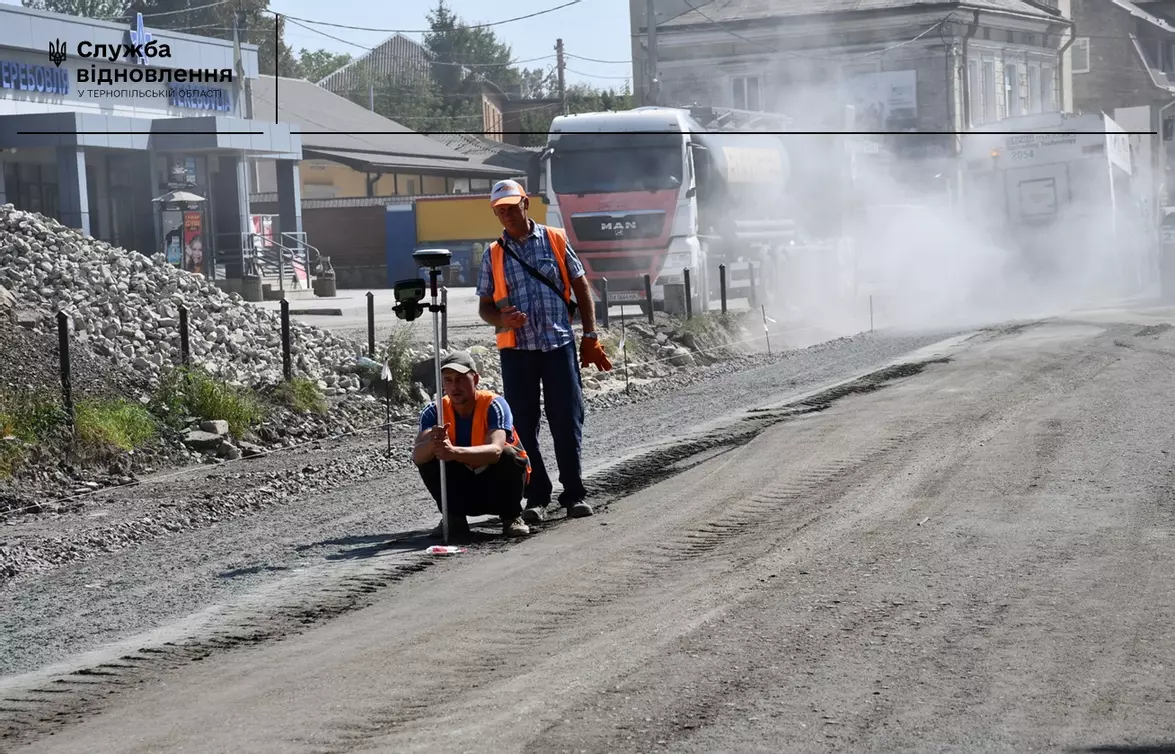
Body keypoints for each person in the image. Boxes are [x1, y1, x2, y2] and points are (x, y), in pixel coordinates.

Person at [476, 179, 613, 524]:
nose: (506, 214)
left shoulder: (555, 239)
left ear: (525, 204)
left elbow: (581, 286)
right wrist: (501, 317)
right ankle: (537, 495)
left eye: (510, 206)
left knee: (567, 421)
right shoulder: (492, 253)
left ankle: (574, 493)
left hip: (558, 346)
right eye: (499, 210)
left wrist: (590, 335)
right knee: (523, 424)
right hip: (518, 351)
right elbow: (485, 308)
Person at [413, 350, 532, 540]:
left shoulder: (495, 405)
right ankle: (453, 518)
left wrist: (453, 452)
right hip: (463, 488)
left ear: (475, 379)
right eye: (448, 380)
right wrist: (433, 442)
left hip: (497, 488)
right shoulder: (434, 410)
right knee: (431, 455)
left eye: (460, 379)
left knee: (508, 454)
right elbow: (417, 456)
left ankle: (512, 517)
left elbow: (495, 451)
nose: (454, 386)